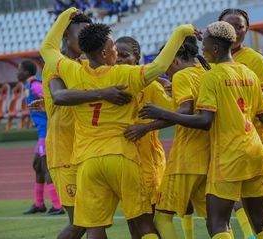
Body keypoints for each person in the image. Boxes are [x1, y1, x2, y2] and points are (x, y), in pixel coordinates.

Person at [40, 7, 198, 239]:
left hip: (87, 161)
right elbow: (159, 66)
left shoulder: (73, 71)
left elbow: (46, 48)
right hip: (122, 156)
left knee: (94, 227)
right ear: (106, 53)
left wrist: (65, 16)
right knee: (143, 224)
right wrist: (182, 31)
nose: (116, 51)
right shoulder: (125, 76)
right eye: (114, 47)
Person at [139, 21, 263, 239]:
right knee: (260, 220)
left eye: (205, 46)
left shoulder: (212, 76)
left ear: (215, 48)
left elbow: (204, 120)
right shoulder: (248, 73)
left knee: (215, 223)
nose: (202, 50)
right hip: (253, 150)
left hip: (226, 155)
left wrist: (162, 113)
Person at [40, 13, 134, 239]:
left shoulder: (84, 65)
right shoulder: (56, 64)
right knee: (80, 224)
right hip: (64, 154)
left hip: (85, 152)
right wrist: (103, 93)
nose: (84, 38)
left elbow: (117, 72)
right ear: (65, 34)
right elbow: (60, 96)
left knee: (95, 222)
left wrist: (157, 81)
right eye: (79, 33)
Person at [125, 36, 211, 239]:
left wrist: (156, 117)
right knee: (215, 220)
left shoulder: (181, 77)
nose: (165, 71)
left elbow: (185, 110)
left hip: (186, 158)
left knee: (161, 218)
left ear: (173, 60)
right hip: (209, 154)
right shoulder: (207, 73)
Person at [219, 8, 263, 233]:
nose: (234, 31)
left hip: (255, 141)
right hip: (224, 142)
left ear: (247, 30)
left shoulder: (255, 61)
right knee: (224, 208)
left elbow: (260, 107)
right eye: (228, 26)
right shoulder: (209, 57)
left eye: (240, 26)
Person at [115, 36, 173, 238]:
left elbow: (175, 116)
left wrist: (146, 128)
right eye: (116, 56)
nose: (119, 60)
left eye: (125, 55)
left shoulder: (152, 87)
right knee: (134, 222)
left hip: (149, 164)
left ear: (136, 57)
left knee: (149, 223)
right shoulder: (112, 86)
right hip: (125, 166)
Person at [18, 60, 64, 216]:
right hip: (41, 132)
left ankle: (57, 206)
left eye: (19, 69)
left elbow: (50, 99)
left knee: (45, 168)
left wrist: (45, 107)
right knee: (37, 165)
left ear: (26, 72)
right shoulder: (29, 85)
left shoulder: (34, 85)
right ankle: (39, 204)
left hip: (47, 132)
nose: (17, 72)